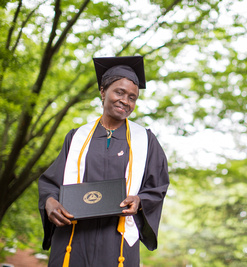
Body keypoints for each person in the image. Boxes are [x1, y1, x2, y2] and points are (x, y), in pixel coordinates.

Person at [38, 56, 169, 267]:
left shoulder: (145, 140)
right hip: (73, 237)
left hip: (117, 239)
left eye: (132, 97)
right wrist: (50, 202)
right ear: (102, 91)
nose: (125, 101)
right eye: (119, 92)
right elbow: (50, 183)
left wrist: (140, 201)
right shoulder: (77, 137)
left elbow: (158, 186)